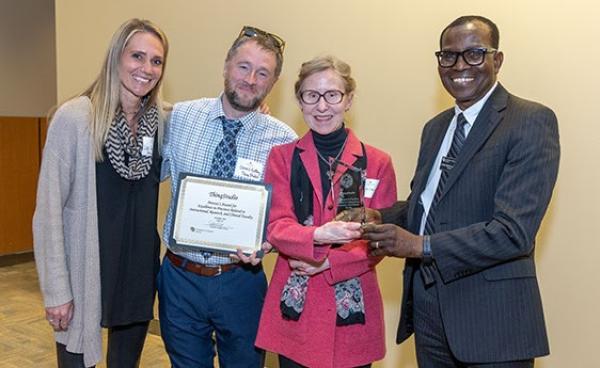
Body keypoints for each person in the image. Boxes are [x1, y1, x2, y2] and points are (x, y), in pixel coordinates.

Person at [350, 15, 559, 367]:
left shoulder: (530, 121)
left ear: (498, 59)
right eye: (448, 56)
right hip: (430, 316)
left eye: (474, 53)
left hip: (493, 323)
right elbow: (429, 207)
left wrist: (419, 245)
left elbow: (513, 232)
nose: (460, 65)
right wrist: (379, 217)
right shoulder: (436, 128)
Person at [33, 19, 169, 367]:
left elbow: (210, 116)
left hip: (137, 274)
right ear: (116, 57)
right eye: (137, 56)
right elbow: (48, 212)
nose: (146, 68)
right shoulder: (77, 117)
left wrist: (252, 113)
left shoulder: (161, 121)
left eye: (156, 61)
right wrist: (57, 291)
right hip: (86, 275)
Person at [158, 26, 297, 368]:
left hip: (241, 281)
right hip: (180, 278)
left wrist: (269, 243)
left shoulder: (284, 141)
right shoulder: (179, 118)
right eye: (243, 66)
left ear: (273, 83)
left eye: (262, 73)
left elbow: (291, 218)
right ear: (226, 66)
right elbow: (140, 178)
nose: (251, 79)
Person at [254, 56, 397, 368]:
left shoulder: (378, 163)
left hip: (353, 309)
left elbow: (382, 240)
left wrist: (329, 262)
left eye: (332, 95)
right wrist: (318, 236)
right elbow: (276, 225)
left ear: (348, 100)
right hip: (296, 307)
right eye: (311, 95)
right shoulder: (281, 158)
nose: (322, 107)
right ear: (299, 100)